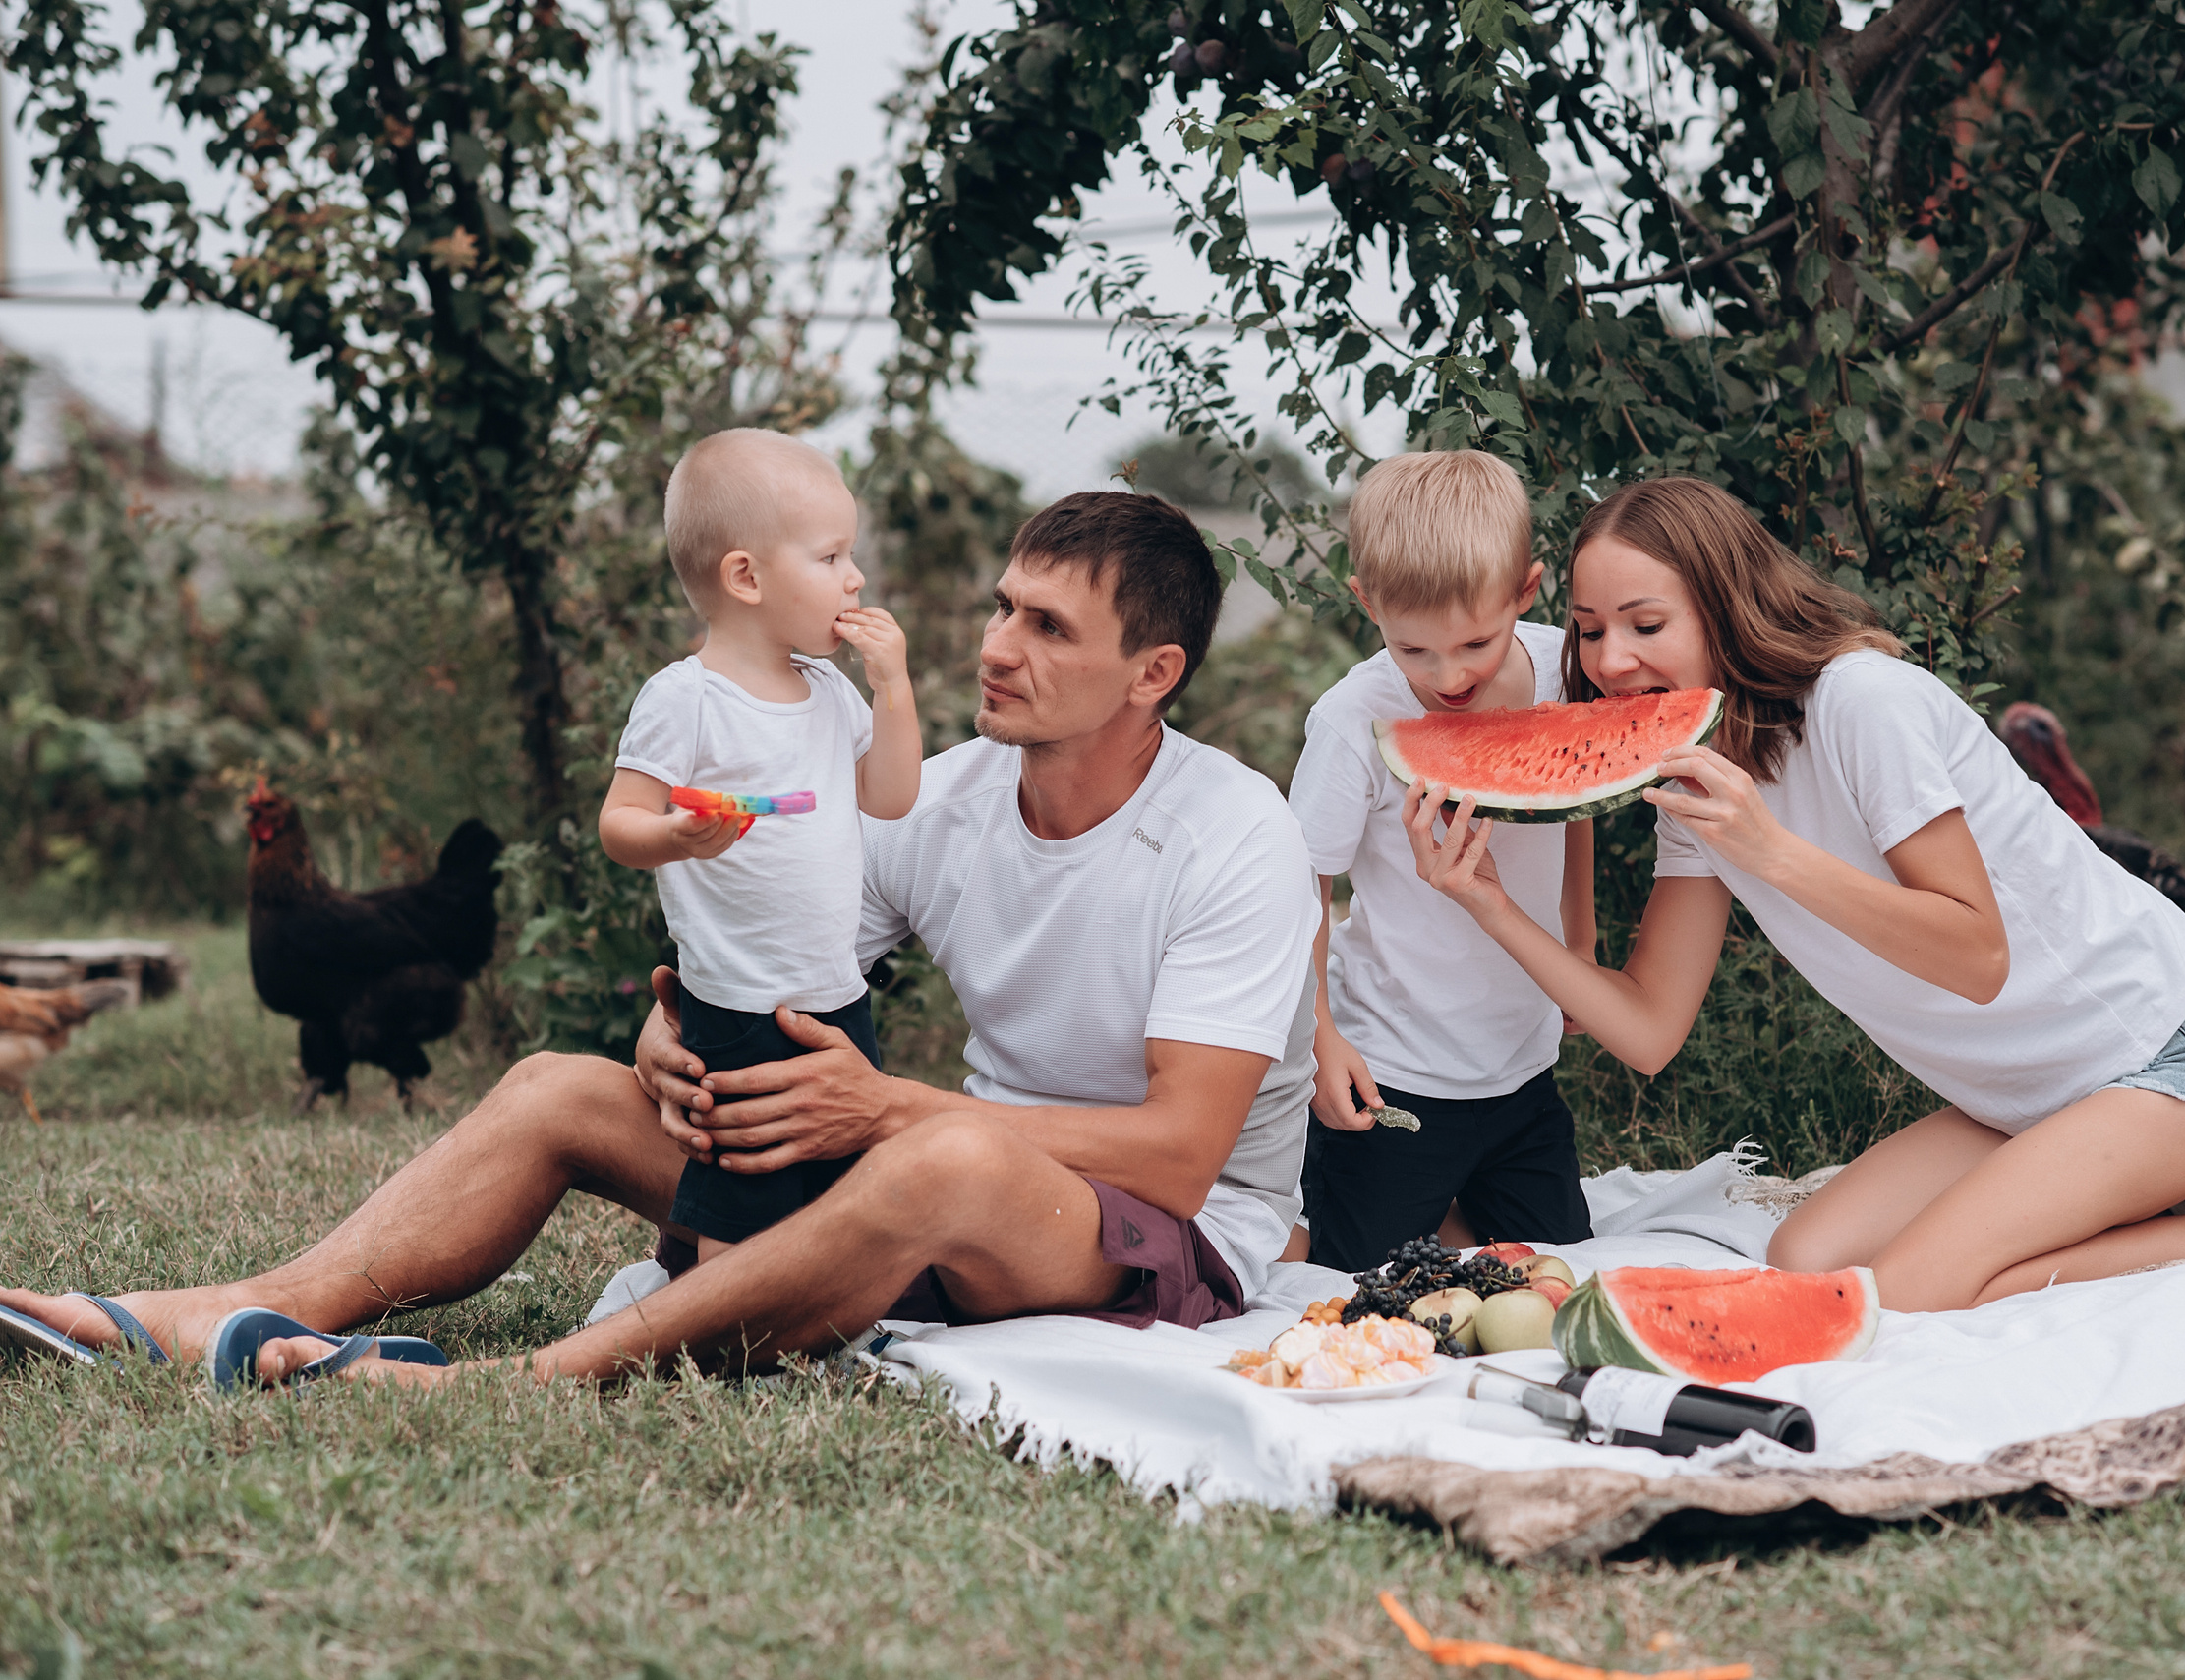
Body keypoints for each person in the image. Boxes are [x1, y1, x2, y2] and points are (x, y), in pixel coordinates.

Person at [0, 492, 1319, 1384]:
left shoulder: (1229, 833)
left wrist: (890, 1109)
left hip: (1152, 1239)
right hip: (935, 1177)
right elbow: (780, 957)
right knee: (556, 1087)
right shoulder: (950, 795)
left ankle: (522, 1386)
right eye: (1001, 606)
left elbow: (1184, 1155)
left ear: (1154, 673)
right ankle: (238, 1307)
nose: (995, 646)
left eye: (1047, 626)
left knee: (953, 1152)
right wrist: (671, 1030)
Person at [1401, 475, 2185, 1315]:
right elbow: (1649, 1029)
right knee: (1805, 1259)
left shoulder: (1858, 703)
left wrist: (1772, 848)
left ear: (1724, 608)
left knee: (1915, 1288)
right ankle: (2157, 1198)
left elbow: (1977, 954)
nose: (1609, 659)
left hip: (2173, 1054)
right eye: (1584, 630)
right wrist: (1488, 901)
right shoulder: (1694, 780)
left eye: (1644, 623)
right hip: (2019, 1095)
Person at [598, 429, 920, 1268]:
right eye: (831, 557)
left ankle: (811, 1313)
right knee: (741, 1177)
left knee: (840, 1182)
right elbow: (620, 822)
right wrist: (677, 836)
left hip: (834, 989)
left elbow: (890, 796)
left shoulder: (829, 690)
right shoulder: (686, 700)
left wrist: (894, 690)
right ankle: (719, 1317)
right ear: (746, 577)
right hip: (736, 999)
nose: (854, 578)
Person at [1288, 451, 1597, 1270]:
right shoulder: (1353, 716)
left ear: (1526, 593)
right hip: (1393, 1070)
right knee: (1367, 1277)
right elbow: (1302, 887)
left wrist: (1584, 945)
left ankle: (1458, 1211)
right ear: (1367, 603)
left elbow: (1582, 801)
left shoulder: (1565, 676)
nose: (1449, 675)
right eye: (1413, 650)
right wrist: (1321, 1038)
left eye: (1475, 643)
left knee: (1557, 1271)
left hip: (1525, 1071)